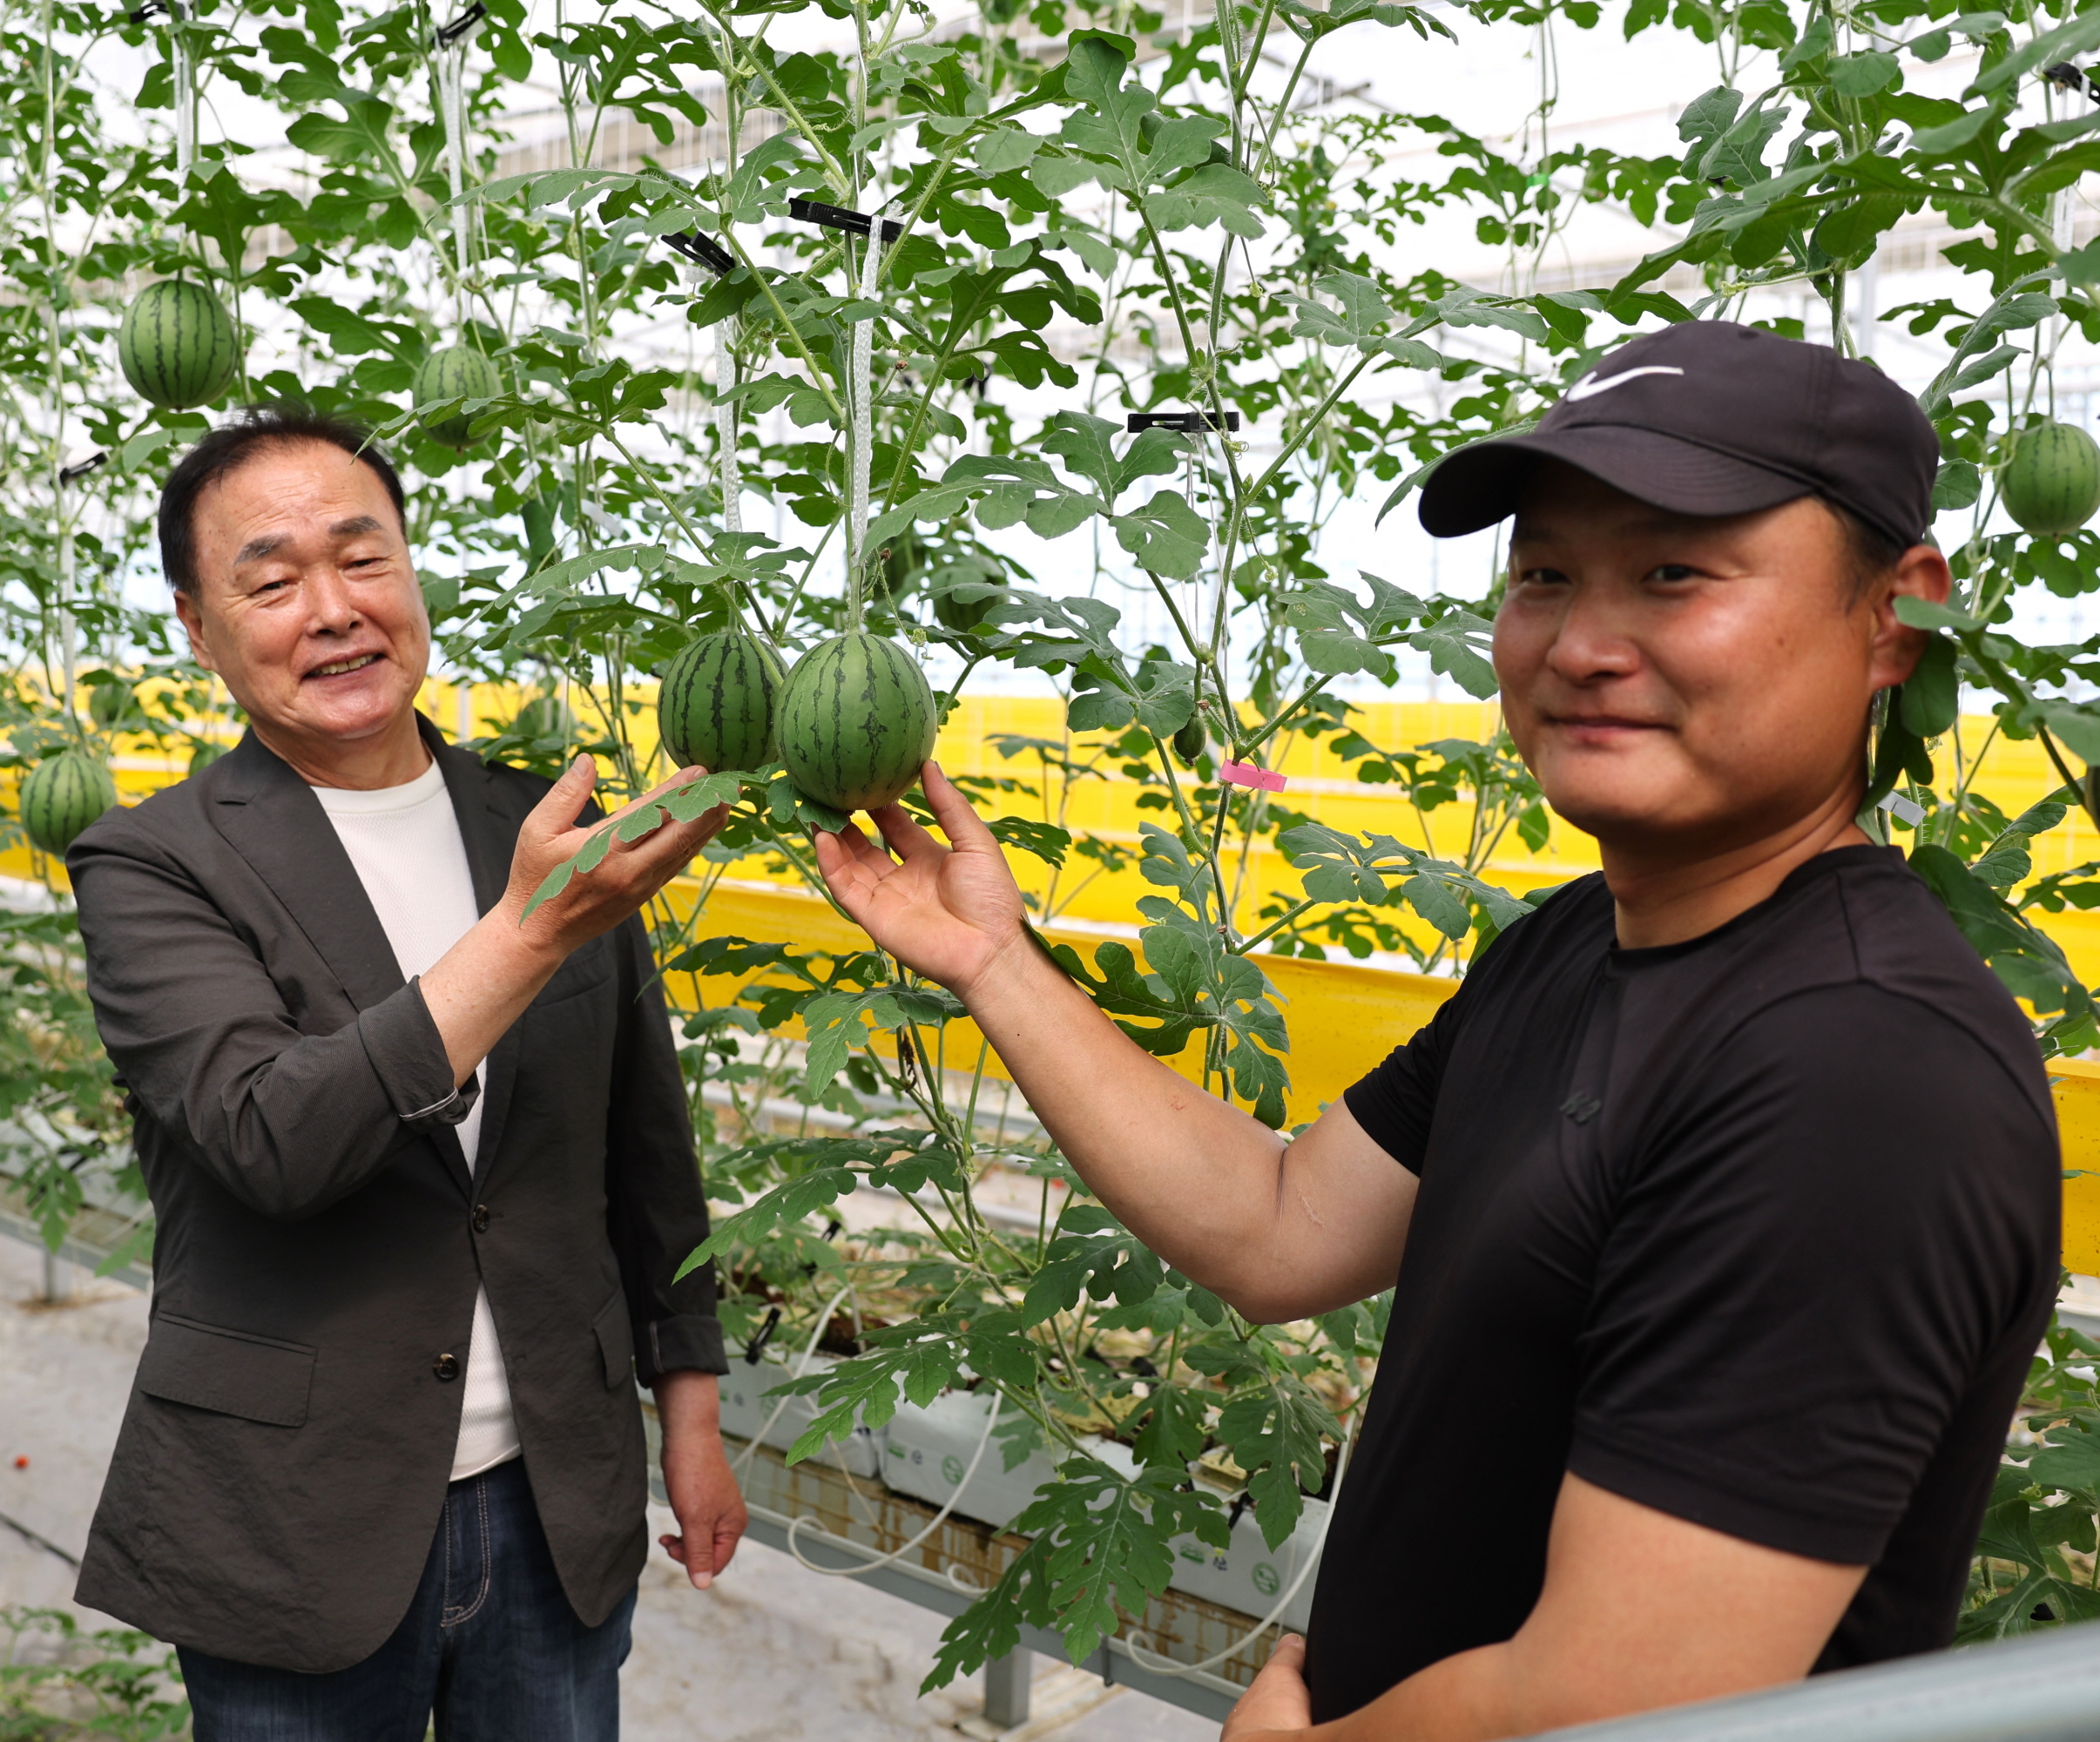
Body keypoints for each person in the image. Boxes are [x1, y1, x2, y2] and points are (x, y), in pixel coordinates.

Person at [811, 321, 2060, 1739]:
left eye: (1673, 572)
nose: (1583, 644)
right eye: (1543, 577)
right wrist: (993, 960)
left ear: (1895, 614)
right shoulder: (1573, 950)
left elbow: (1610, 1705)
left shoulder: (1857, 1073)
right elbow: (1279, 1225)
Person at [64, 404, 746, 1741]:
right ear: (201, 631)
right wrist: (530, 930)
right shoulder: (154, 864)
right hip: (295, 1513)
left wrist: (695, 1409)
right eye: (270, 580)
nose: (333, 609)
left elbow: (644, 1154)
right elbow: (272, 1137)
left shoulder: (538, 824)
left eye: (362, 558)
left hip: (556, 1499)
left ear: (413, 574)